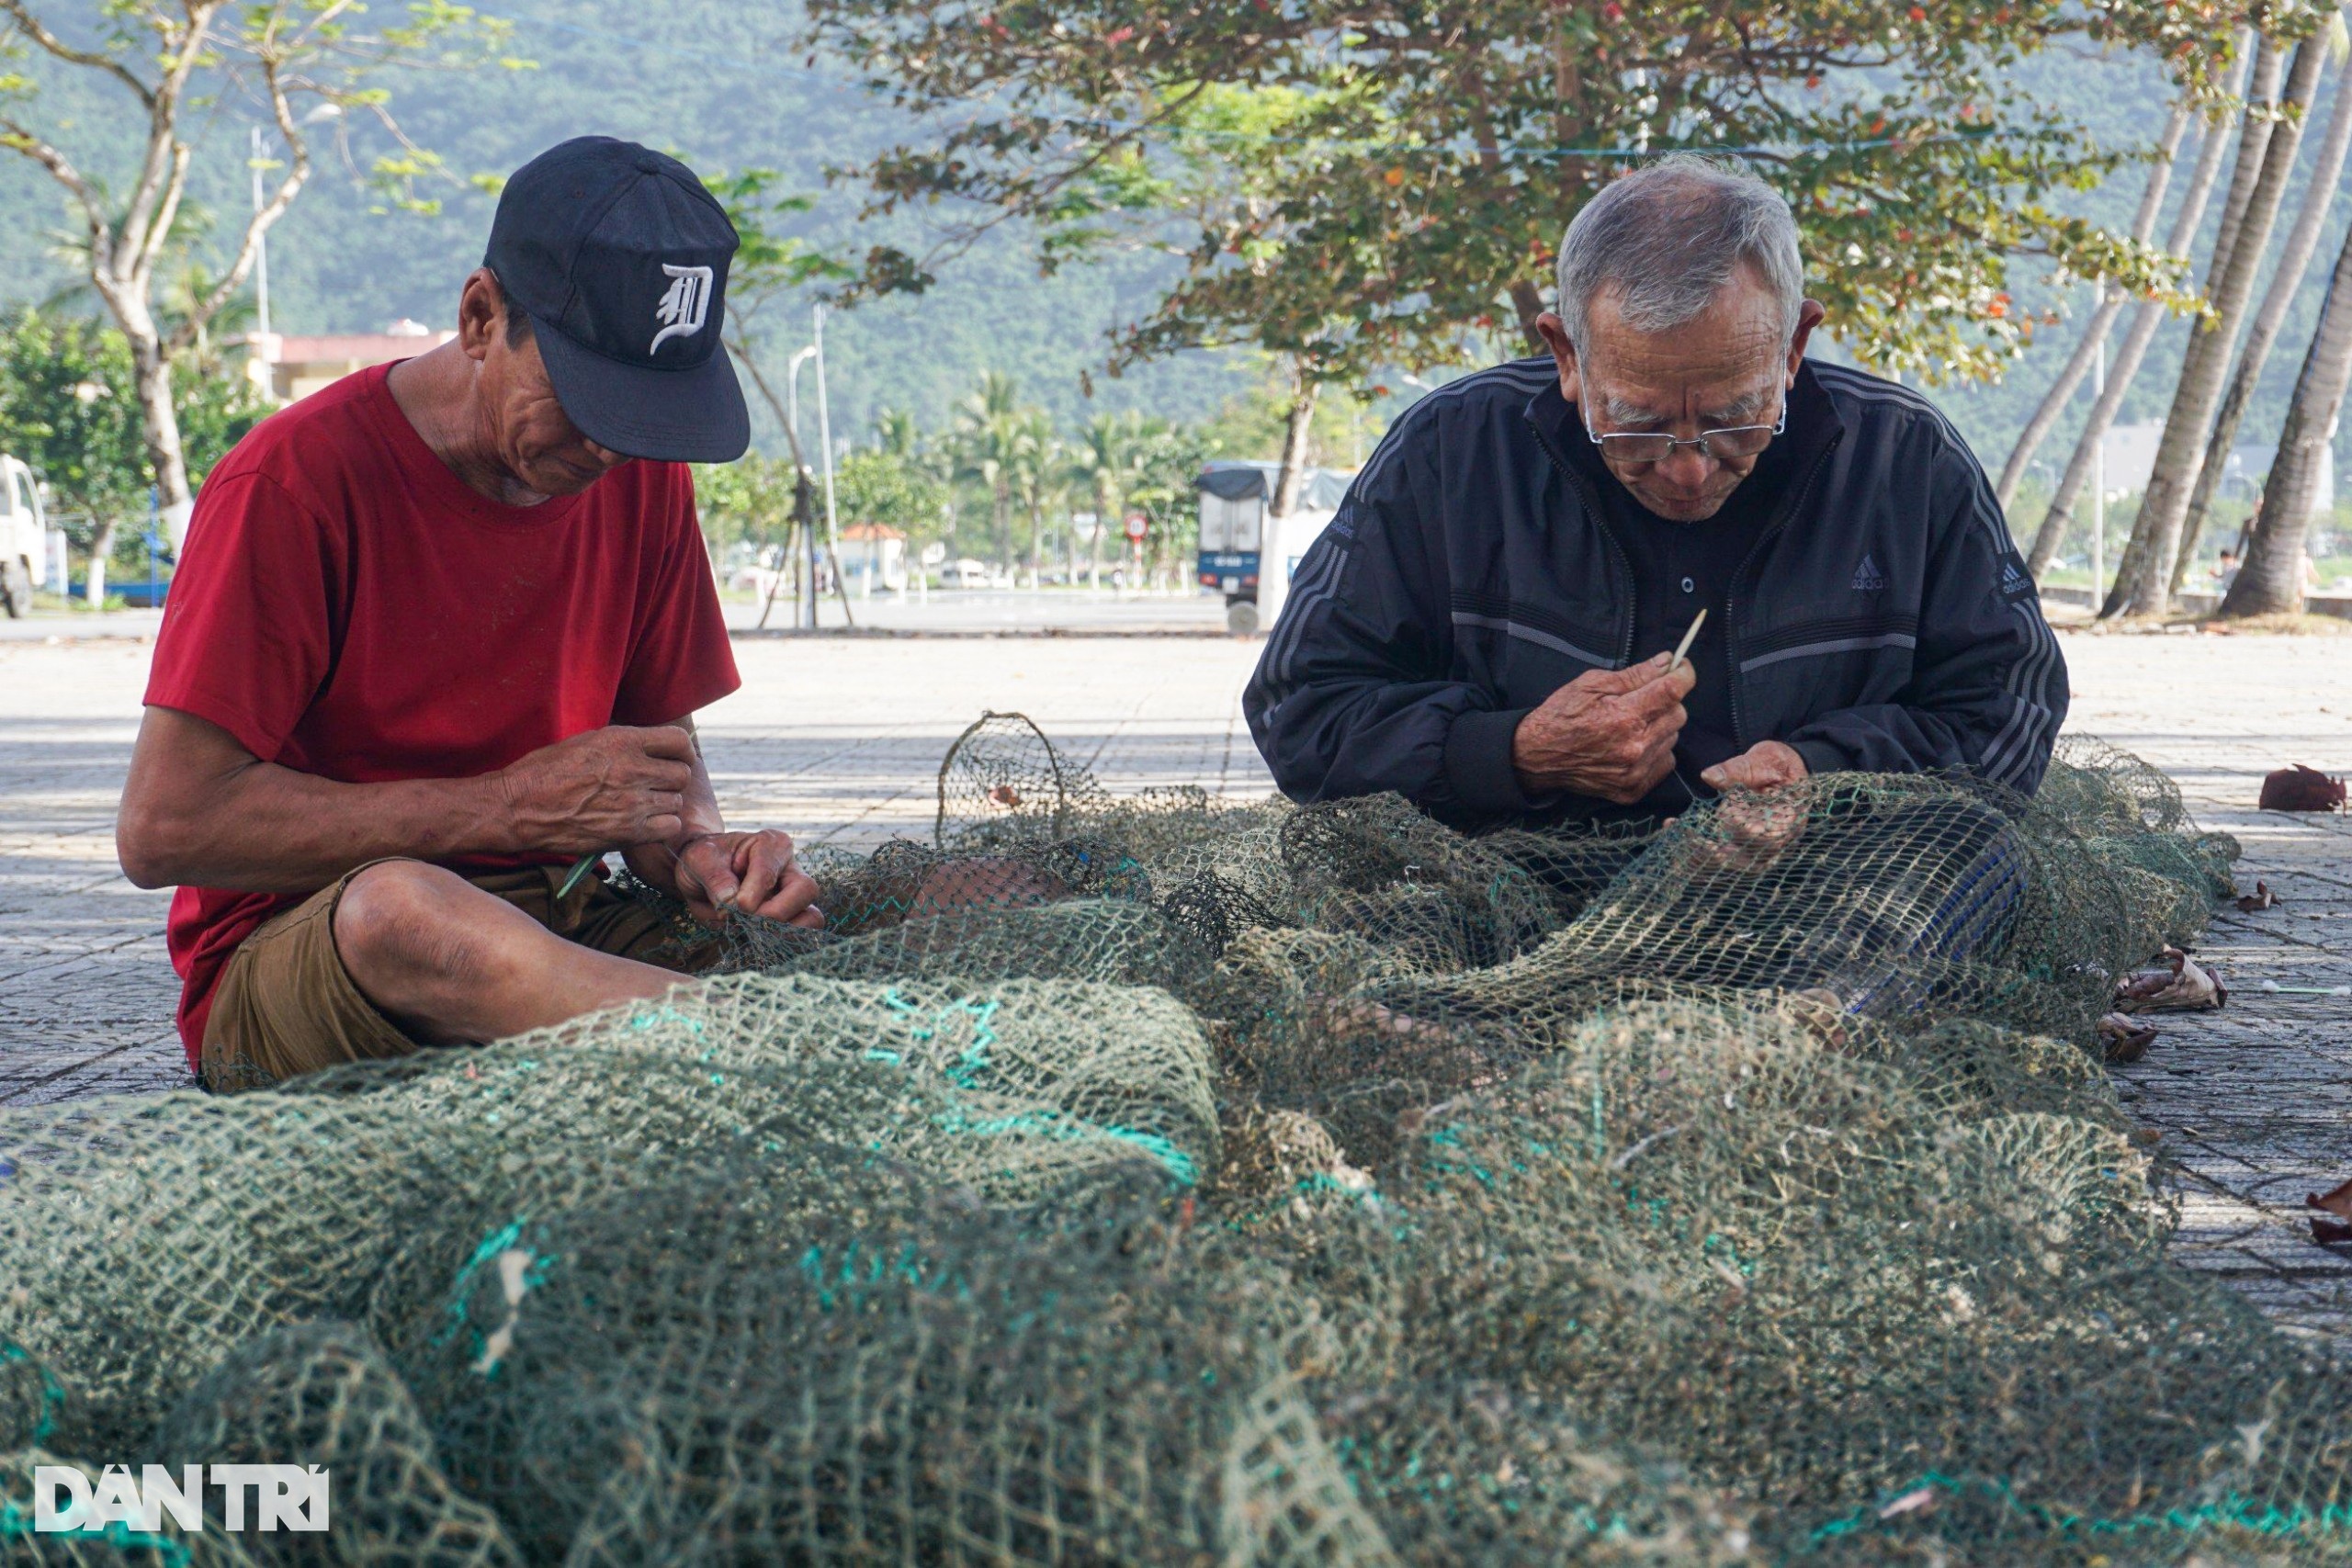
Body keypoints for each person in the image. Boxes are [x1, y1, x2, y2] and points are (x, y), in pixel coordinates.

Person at [116, 136, 822, 1091]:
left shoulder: (641, 477)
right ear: (481, 316)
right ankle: (782, 1055)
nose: (612, 446)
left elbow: (659, 767)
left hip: (562, 925)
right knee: (401, 912)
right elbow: (165, 830)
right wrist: (506, 808)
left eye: (645, 414)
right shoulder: (292, 484)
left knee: (873, 919)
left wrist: (703, 855)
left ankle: (718, 1035)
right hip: (307, 955)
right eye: (586, 400)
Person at [1244, 156, 2067, 838]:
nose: (1687, 468)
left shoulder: (1906, 459)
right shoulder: (1448, 454)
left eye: (1734, 419)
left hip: (1826, 889)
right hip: (1508, 884)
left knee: (1981, 885)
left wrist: (1822, 776)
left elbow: (2009, 711)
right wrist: (1518, 750)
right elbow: (1302, 710)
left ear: (1794, 347)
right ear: (1567, 355)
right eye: (1635, 425)